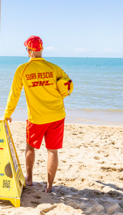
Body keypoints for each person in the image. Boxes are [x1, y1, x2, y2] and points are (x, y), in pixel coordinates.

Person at [4, 36, 73, 192]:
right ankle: (49, 186)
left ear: (29, 51)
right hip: (57, 114)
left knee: (30, 147)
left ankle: (29, 179)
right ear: (41, 49)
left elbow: (14, 94)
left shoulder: (22, 69)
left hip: (36, 117)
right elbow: (67, 86)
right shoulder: (54, 68)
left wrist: (8, 113)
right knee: (52, 151)